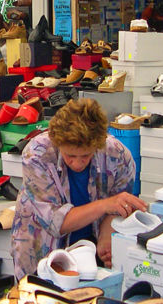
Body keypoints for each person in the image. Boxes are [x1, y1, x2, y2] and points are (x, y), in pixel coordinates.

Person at [10, 98, 146, 278]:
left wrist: (106, 235)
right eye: (70, 156)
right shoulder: (37, 154)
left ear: (98, 145)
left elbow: (117, 208)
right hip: (41, 254)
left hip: (91, 251)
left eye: (86, 156)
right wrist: (105, 205)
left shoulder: (119, 156)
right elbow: (54, 222)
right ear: (57, 142)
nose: (77, 163)